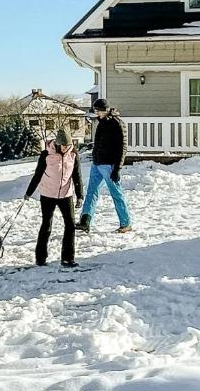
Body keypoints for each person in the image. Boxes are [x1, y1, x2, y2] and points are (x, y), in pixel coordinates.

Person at [24, 129, 84, 267]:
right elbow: (38, 175)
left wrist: (80, 196)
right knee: (47, 225)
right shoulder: (46, 154)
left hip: (65, 194)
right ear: (57, 144)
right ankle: (41, 258)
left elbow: (77, 176)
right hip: (48, 194)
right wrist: (29, 192)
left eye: (68, 146)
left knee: (70, 225)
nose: (66, 148)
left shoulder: (73, 155)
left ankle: (68, 258)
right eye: (63, 146)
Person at [78, 99, 133, 234]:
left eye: (98, 110)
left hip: (109, 165)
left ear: (104, 109)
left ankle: (126, 223)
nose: (96, 113)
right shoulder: (101, 122)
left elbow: (123, 148)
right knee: (91, 192)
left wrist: (117, 168)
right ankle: (85, 221)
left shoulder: (117, 124)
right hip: (97, 163)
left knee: (116, 194)